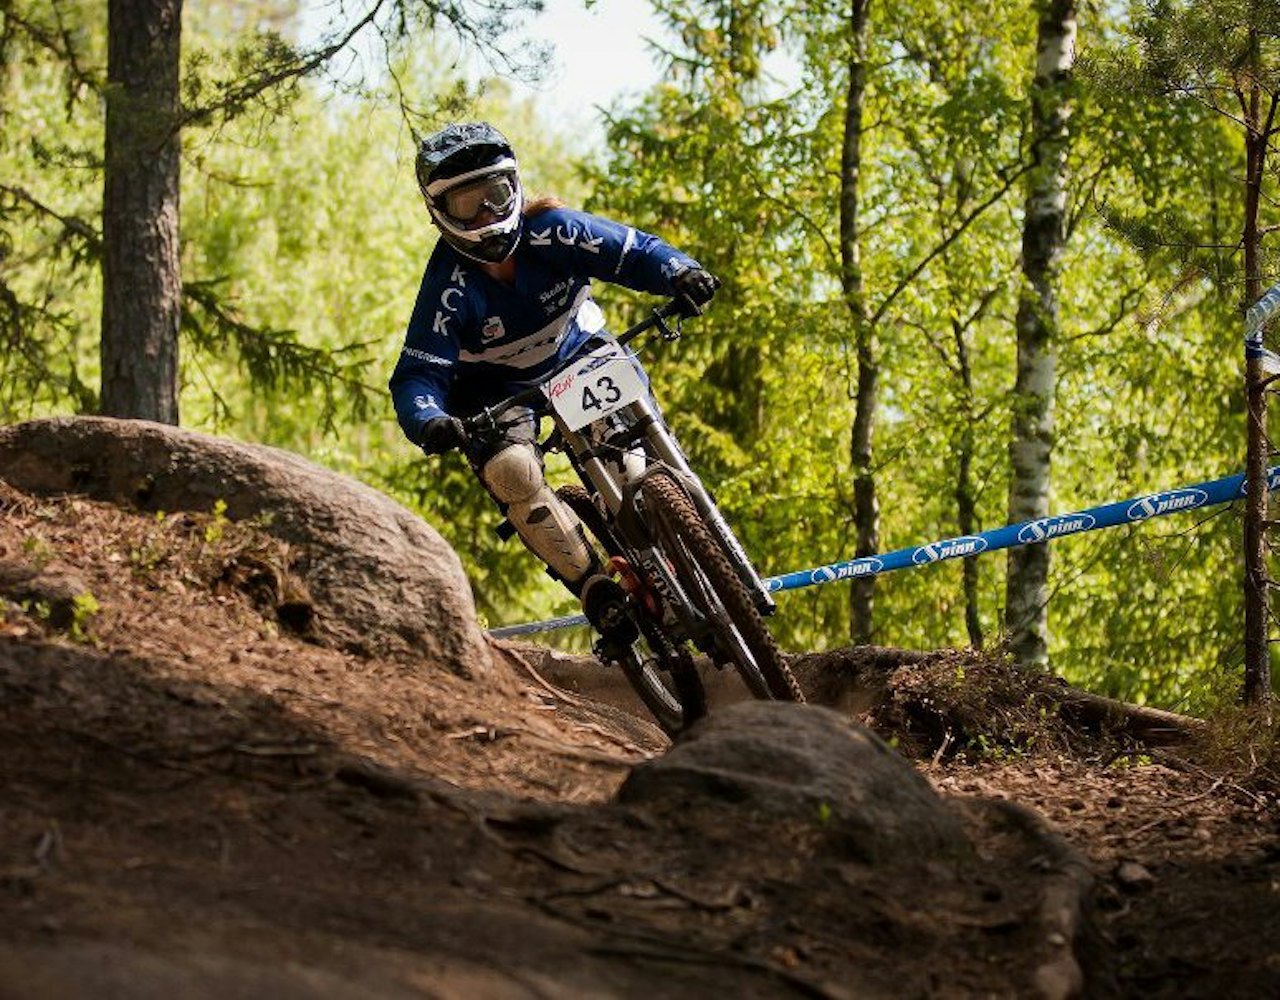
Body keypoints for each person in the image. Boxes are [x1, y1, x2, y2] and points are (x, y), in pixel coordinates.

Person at [389, 121, 719, 650]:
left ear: (515, 185)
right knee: (511, 471)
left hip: (577, 351)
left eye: (496, 195)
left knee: (630, 465)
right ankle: (595, 588)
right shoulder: (447, 288)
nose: (487, 216)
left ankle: (675, 545)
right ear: (438, 212)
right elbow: (418, 374)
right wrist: (428, 420)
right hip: (493, 389)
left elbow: (632, 252)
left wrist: (679, 271)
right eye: (467, 205)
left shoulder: (556, 231)